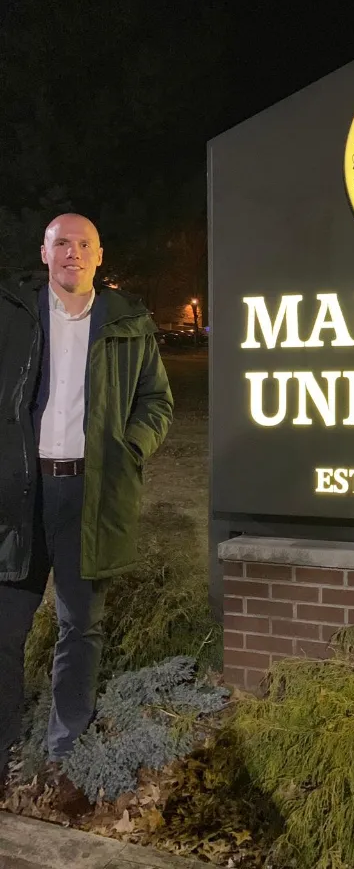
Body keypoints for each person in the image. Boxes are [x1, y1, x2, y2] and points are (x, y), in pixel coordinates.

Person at [0, 213, 173, 790]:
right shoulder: (15, 317)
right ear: (44, 254)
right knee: (5, 627)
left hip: (90, 492)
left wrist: (129, 449)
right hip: (20, 492)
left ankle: (64, 749)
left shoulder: (127, 322)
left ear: (99, 256)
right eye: (61, 245)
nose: (72, 253)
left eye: (83, 245)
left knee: (81, 625)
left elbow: (156, 400)